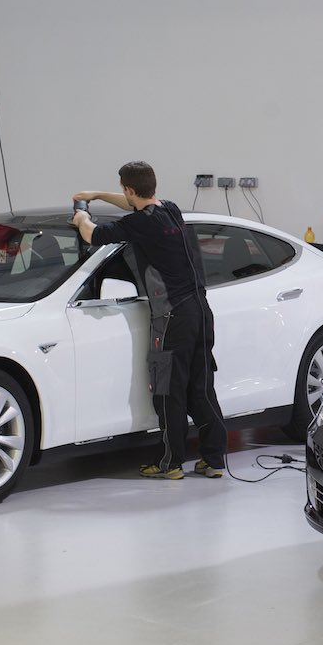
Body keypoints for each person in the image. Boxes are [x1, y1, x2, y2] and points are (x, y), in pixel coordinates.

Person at [72, 162, 227, 480]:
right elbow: (134, 202)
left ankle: (170, 464)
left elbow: (91, 235)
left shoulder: (137, 224)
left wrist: (81, 215)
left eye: (123, 190)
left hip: (172, 317)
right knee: (201, 388)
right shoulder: (170, 210)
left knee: (168, 390)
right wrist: (98, 194)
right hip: (201, 312)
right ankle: (213, 460)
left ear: (129, 189)